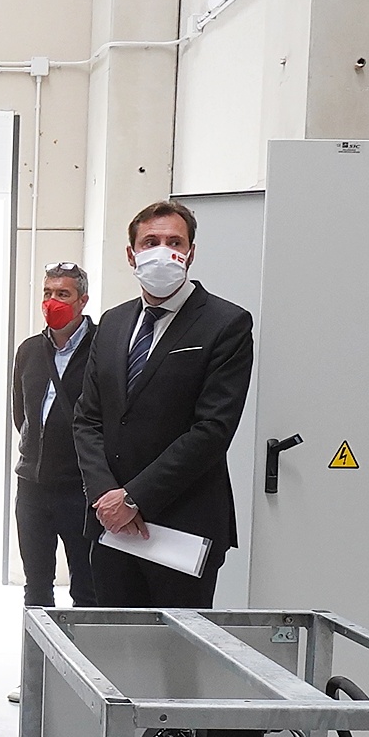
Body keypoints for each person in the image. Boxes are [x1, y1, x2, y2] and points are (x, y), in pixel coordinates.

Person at [72, 199, 255, 608]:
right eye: (150, 242)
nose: (162, 251)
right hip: (111, 525)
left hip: (183, 525)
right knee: (115, 641)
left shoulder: (226, 323)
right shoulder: (113, 323)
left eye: (174, 242)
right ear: (131, 254)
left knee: (178, 645)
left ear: (191, 252)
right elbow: (87, 418)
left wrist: (134, 497)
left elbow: (212, 430)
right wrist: (106, 495)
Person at [9, 261, 97, 699]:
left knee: (86, 586)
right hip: (33, 485)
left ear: (83, 300)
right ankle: (38, 678)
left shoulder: (101, 348)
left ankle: (86, 681)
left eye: (63, 294)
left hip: (81, 488)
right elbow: (20, 413)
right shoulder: (29, 350)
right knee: (37, 586)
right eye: (47, 292)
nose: (52, 302)